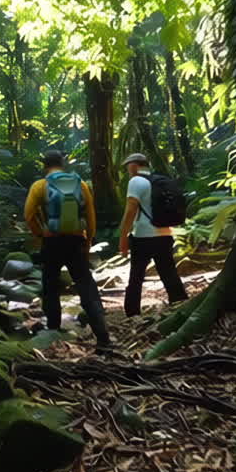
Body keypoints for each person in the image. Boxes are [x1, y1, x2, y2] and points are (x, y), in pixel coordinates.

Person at [23, 150, 113, 349]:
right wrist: (88, 241)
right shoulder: (80, 184)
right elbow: (91, 217)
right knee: (86, 285)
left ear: (44, 166)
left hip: (52, 242)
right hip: (76, 241)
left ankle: (53, 329)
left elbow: (28, 215)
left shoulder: (40, 186)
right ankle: (103, 335)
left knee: (50, 284)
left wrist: (40, 233)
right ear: (62, 164)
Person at [118, 153, 188, 317]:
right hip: (164, 234)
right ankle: (179, 304)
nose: (128, 170)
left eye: (128, 166)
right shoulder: (160, 181)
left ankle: (132, 312)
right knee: (168, 272)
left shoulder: (136, 181)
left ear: (134, 166)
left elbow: (130, 211)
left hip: (143, 236)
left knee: (136, 276)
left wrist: (123, 237)